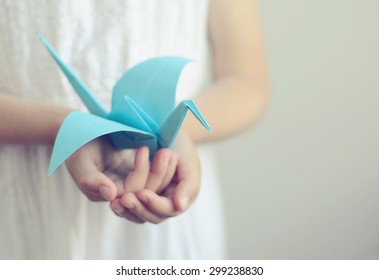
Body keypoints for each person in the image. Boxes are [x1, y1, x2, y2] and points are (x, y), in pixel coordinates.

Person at [0, 0, 268, 259]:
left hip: (170, 214)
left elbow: (246, 82)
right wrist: (69, 129)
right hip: (26, 215)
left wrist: (173, 133)